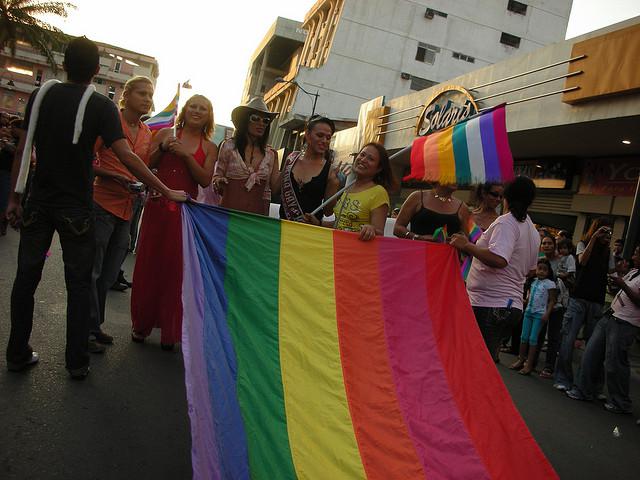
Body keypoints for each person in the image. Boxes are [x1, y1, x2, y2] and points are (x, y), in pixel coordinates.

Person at [5, 37, 187, 379]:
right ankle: (76, 361)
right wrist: (164, 189)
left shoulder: (41, 95)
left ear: (64, 65)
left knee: (26, 278)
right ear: (96, 71)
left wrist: (14, 199)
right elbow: (128, 157)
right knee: (78, 284)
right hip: (77, 209)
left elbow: (22, 149)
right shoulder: (101, 107)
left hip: (37, 203)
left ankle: (16, 353)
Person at [130, 94, 217, 350]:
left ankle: (171, 330)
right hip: (157, 208)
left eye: (203, 108)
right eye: (193, 106)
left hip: (185, 214)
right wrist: (164, 148)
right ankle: (141, 325)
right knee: (149, 265)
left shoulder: (211, 146)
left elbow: (204, 180)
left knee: (177, 272)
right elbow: (146, 165)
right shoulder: (166, 133)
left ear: (208, 115)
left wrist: (187, 156)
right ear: (185, 110)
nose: (197, 111)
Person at [88, 76, 155, 350]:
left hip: (128, 207)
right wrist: (113, 175)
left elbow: (142, 167)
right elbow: (88, 161)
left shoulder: (147, 133)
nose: (148, 98)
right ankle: (87, 330)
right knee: (92, 272)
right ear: (126, 95)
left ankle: (95, 324)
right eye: (142, 93)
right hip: (101, 202)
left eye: (150, 94)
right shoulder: (108, 120)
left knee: (109, 273)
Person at [450, 176, 540, 362]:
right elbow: (531, 269)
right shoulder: (532, 230)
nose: (498, 199)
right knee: (481, 364)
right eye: (494, 194)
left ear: (507, 196)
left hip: (491, 305)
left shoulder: (507, 222)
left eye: (501, 195)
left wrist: (466, 246)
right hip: (508, 306)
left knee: (474, 364)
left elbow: (499, 259)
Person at [566, 246, 640, 414]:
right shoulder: (634, 272)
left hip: (626, 323)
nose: (633, 256)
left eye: (637, 254)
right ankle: (584, 390)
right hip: (610, 316)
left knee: (615, 363)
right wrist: (616, 284)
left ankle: (620, 401)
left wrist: (623, 285)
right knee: (591, 353)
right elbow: (621, 291)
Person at [553, 217, 615, 391]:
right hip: (578, 298)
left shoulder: (608, 252)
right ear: (595, 229)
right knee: (568, 338)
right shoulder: (582, 244)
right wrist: (594, 239)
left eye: (609, 231)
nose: (606, 234)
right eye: (603, 230)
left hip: (596, 301)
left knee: (593, 345)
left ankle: (587, 383)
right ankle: (563, 378)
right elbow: (583, 261)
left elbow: (611, 271)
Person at [305, 142, 395, 242]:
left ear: (379, 168)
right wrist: (318, 223)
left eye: (371, 159)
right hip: (337, 248)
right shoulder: (348, 187)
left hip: (355, 253)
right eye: (362, 155)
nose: (363, 160)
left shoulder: (379, 192)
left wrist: (371, 229)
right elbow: (341, 224)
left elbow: (378, 233)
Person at [213, 97, 279, 215]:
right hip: (228, 215)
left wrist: (290, 164)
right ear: (244, 120)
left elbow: (274, 189)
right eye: (255, 118)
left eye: (266, 120)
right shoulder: (228, 146)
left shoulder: (271, 154)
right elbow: (217, 176)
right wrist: (218, 181)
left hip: (255, 220)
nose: (261, 123)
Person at [279, 115, 340, 222]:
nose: (324, 140)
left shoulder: (330, 170)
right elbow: (275, 188)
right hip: (282, 227)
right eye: (320, 135)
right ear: (307, 134)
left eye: (328, 137)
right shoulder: (292, 159)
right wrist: (273, 159)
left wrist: (333, 183)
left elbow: (328, 212)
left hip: (310, 231)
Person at [510, 258, 557, 375]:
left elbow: (552, 300)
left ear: (548, 272)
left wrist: (547, 313)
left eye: (544, 270)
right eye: (539, 269)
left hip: (539, 314)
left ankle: (529, 364)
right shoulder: (533, 282)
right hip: (528, 312)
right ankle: (520, 360)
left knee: (533, 339)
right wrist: (524, 302)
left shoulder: (550, 284)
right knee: (523, 337)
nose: (541, 271)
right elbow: (529, 296)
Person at [539, 237, 576, 378]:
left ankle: (549, 367)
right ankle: (531, 362)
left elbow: (571, 280)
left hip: (558, 304)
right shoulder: (540, 259)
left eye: (549, 243)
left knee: (554, 336)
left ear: (554, 246)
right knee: (539, 334)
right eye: (544, 243)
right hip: (541, 303)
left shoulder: (563, 260)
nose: (546, 245)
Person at [393, 182, 471, 241]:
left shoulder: (462, 207)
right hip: (417, 254)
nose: (456, 179)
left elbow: (468, 239)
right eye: (451, 175)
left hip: (446, 258)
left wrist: (460, 239)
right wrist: (418, 237)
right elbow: (397, 228)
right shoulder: (417, 197)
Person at [0, 114, 17, 235]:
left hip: (8, 174)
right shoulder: (6, 138)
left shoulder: (20, 143)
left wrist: (5, 144)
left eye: (12, 128)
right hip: (3, 171)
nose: (9, 129)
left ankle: (3, 224)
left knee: (4, 200)